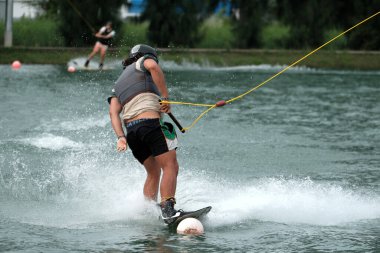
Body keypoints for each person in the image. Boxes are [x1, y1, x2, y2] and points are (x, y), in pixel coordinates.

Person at [108, 44, 182, 224]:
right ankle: (168, 208)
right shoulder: (143, 62)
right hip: (150, 125)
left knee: (153, 171)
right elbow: (153, 67)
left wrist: (121, 137)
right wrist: (165, 97)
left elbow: (113, 113)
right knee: (170, 166)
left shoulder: (117, 84)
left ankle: (148, 210)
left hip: (132, 133)